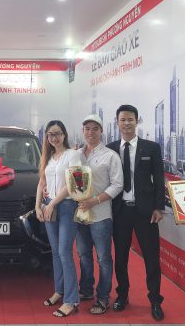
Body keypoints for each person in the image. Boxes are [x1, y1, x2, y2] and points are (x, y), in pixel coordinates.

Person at [107, 104, 165, 321]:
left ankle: (155, 300)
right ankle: (122, 295)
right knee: (120, 258)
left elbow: (159, 178)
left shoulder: (151, 148)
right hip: (120, 211)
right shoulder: (111, 148)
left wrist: (158, 207)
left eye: (130, 119)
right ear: (117, 122)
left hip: (145, 211)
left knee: (151, 258)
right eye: (123, 120)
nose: (127, 123)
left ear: (137, 121)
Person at [75, 114, 123, 315]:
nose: (91, 132)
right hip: (80, 214)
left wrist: (94, 201)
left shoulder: (110, 156)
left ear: (101, 131)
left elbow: (117, 185)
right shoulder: (76, 154)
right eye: (87, 128)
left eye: (95, 128)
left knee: (103, 258)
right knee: (83, 255)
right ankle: (86, 290)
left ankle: (103, 297)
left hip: (101, 215)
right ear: (83, 131)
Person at [35, 120, 82, 318]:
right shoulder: (48, 157)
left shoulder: (73, 155)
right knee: (55, 252)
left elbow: (74, 184)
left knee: (64, 252)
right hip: (48, 206)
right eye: (50, 134)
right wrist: (38, 205)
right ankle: (59, 290)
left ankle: (71, 300)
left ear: (64, 135)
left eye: (57, 133)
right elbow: (41, 182)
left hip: (66, 207)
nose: (54, 138)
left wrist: (52, 203)